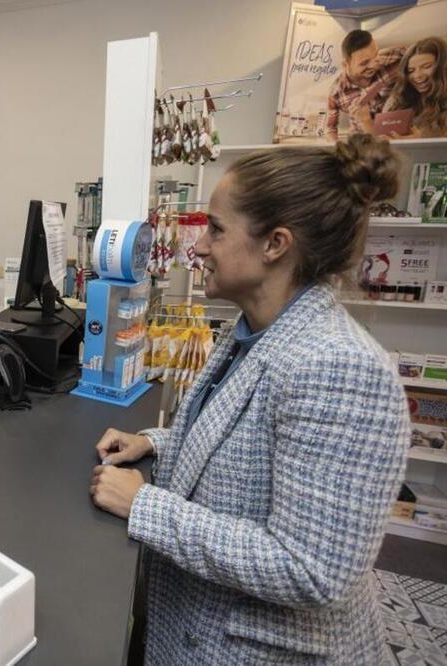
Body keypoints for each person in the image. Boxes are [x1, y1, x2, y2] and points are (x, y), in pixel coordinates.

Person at [90, 134, 410, 664]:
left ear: (275, 244)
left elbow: (310, 568)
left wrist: (145, 505)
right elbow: (243, 449)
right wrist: (154, 444)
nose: (198, 246)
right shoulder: (256, 328)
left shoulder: (339, 367)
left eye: (216, 229)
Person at [325, 30, 404, 140]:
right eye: (364, 63)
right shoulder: (336, 93)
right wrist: (337, 148)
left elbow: (416, 54)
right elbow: (330, 129)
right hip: (362, 144)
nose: (373, 65)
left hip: (397, 138)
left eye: (375, 55)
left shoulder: (389, 57)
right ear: (345, 64)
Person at [381, 37, 447, 138]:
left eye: (426, 66)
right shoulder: (398, 99)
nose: (417, 76)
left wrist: (420, 141)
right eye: (411, 71)